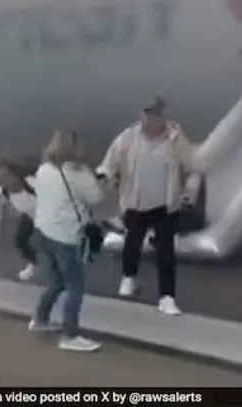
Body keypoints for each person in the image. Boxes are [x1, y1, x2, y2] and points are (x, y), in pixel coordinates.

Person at [96, 96, 198, 316]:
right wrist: (105, 176)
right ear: (141, 115)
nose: (152, 119)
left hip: (165, 205)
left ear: (163, 115)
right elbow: (109, 163)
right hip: (135, 202)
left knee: (166, 251)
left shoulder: (176, 139)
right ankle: (128, 278)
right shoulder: (127, 137)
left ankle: (167, 297)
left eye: (157, 114)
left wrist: (189, 194)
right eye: (148, 114)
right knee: (132, 242)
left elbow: (192, 168)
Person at [31, 129, 104, 352]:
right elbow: (96, 198)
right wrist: (103, 181)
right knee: (75, 286)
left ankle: (40, 319)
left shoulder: (44, 169)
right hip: (67, 236)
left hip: (45, 232)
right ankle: (69, 335)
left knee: (57, 279)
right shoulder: (79, 173)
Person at [0, 157, 39, 281]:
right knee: (20, 240)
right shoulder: (4, 190)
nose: (2, 179)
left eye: (5, 175)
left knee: (52, 245)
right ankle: (32, 265)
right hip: (30, 216)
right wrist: (0, 224)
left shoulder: (30, 183)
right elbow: (3, 205)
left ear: (15, 174)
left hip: (47, 216)